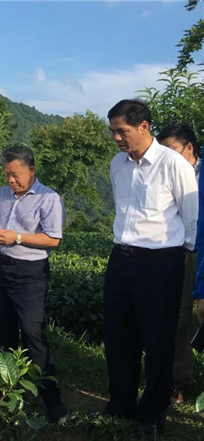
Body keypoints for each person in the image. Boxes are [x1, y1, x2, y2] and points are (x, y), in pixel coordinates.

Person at [103, 99, 198, 437]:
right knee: (119, 336)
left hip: (161, 262)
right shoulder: (117, 164)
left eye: (122, 131)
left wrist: (179, 258)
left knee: (158, 340)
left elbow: (191, 218)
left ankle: (153, 412)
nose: (116, 138)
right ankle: (122, 403)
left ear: (143, 126)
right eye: (113, 131)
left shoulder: (173, 164)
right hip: (122, 257)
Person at [0, 145, 67, 423]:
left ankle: (52, 398)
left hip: (30, 272)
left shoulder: (48, 197)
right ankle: (8, 391)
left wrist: (17, 237)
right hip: (1, 267)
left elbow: (53, 238)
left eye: (16, 174)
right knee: (2, 329)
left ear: (31, 170)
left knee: (32, 332)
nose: (11, 180)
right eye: (6, 174)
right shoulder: (2, 194)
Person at [157, 124, 201, 405]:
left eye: (171, 150)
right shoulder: (164, 174)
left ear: (189, 148)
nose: (166, 157)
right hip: (184, 253)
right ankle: (179, 380)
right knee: (180, 317)